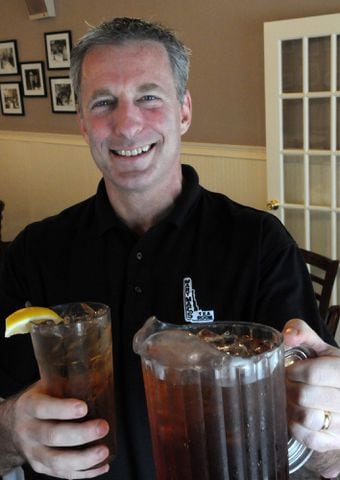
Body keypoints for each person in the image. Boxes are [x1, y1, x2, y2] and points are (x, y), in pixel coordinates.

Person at [0, 16, 339, 480]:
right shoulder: (34, 250)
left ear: (184, 111)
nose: (127, 124)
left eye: (148, 97)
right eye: (104, 102)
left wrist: (330, 432)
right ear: (82, 122)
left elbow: (319, 445)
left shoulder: (260, 244)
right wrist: (10, 430)